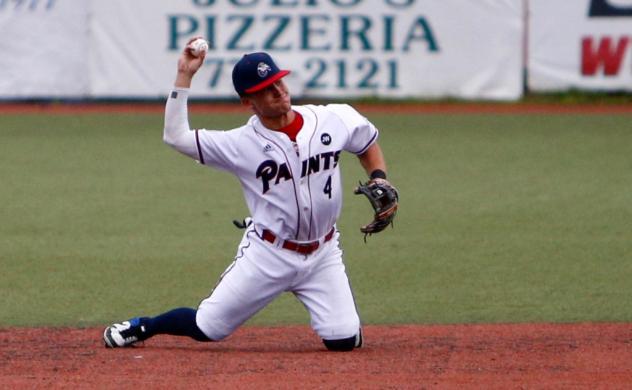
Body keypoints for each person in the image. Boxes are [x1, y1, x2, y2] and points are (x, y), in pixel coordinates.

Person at [103, 37, 395, 352]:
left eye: (279, 82)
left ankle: (339, 321)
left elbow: (366, 142)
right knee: (208, 327)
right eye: (266, 89)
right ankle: (146, 326)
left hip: (323, 253)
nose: (279, 91)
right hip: (269, 254)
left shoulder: (330, 118)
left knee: (344, 340)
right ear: (248, 101)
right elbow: (176, 137)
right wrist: (184, 76)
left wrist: (379, 178)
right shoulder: (240, 143)